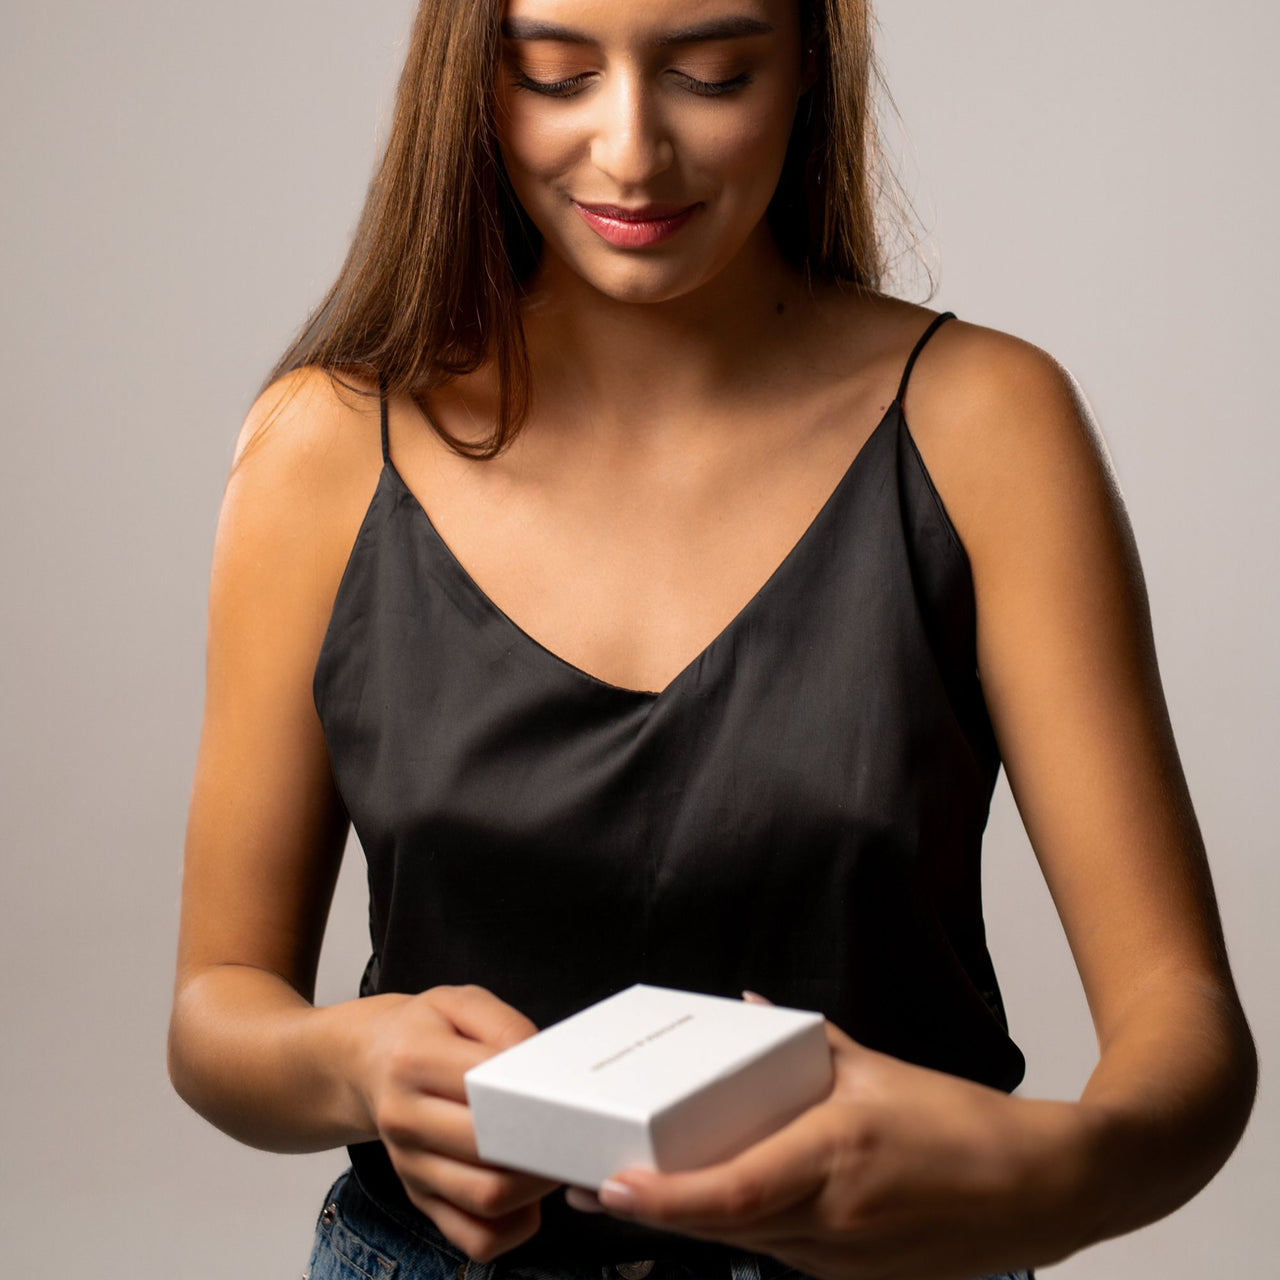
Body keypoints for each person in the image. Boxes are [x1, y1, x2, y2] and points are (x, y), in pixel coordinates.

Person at [167, 2, 1258, 1279]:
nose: (630, 151)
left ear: (807, 65)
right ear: (470, 82)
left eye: (708, 73)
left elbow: (1184, 1028)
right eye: (555, 75)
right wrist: (358, 1064)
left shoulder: (987, 426)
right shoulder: (324, 445)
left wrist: (1036, 1176)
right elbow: (215, 1012)